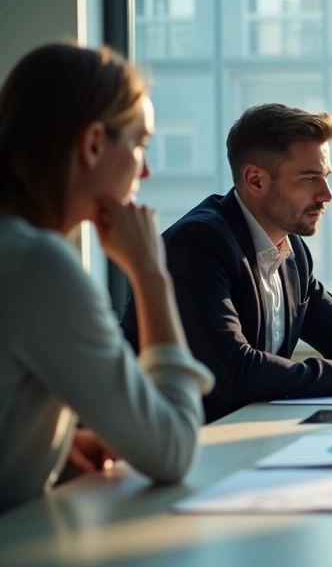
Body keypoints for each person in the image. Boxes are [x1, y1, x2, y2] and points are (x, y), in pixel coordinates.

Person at [0, 42, 213, 514]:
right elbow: (173, 449)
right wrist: (151, 274)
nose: (148, 169)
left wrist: (55, 445)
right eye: (140, 143)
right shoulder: (39, 265)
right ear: (94, 143)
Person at [121, 104, 332, 422]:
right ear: (256, 180)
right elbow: (234, 372)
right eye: (309, 178)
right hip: (169, 445)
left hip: (246, 436)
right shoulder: (198, 244)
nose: (327, 194)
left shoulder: (291, 248)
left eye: (325, 176)